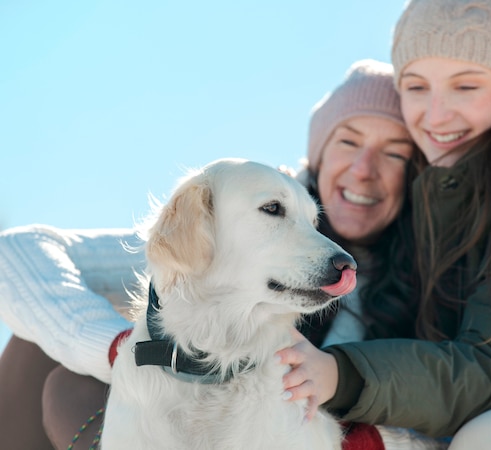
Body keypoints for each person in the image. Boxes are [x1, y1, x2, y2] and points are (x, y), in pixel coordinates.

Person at [0, 59, 426, 449]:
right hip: (155, 419)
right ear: (318, 150)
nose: (364, 169)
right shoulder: (223, 212)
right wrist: (116, 347)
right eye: (349, 142)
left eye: (393, 152)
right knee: (44, 349)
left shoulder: (431, 273)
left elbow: (449, 415)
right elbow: (13, 253)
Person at [278, 1, 491, 449]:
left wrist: (339, 374)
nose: (437, 114)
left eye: (466, 86)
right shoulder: (452, 191)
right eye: (417, 87)